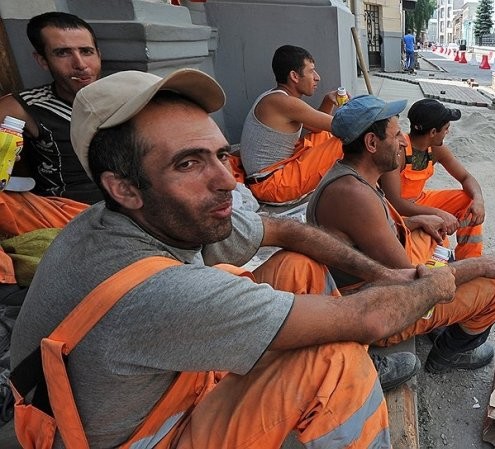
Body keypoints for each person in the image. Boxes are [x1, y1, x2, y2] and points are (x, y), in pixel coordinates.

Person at [10, 69, 459, 448]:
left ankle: (346, 378)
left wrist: (385, 273)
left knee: (297, 266)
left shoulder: (139, 215)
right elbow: (369, 319)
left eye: (221, 155)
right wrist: (433, 284)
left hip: (151, 381)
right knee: (334, 364)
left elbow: (284, 228)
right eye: (188, 163)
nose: (227, 180)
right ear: (122, 187)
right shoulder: (160, 293)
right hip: (149, 435)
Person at [306, 95, 495, 374]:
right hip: (377, 310)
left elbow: (384, 232)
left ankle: (442, 313)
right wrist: (479, 265)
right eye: (395, 135)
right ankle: (450, 353)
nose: (404, 142)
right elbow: (411, 282)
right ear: (371, 143)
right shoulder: (354, 195)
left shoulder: (352, 180)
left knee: (433, 234)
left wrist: (417, 220)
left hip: (374, 287)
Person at [0, 11, 103, 204]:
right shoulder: (25, 106)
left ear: (99, 55)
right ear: (42, 60)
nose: (80, 64)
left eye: (86, 51)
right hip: (65, 215)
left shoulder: (124, 95)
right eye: (62, 53)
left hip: (129, 206)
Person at [238, 44, 345, 205]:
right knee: (344, 141)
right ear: (294, 76)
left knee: (323, 135)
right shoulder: (284, 102)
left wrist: (327, 101)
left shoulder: (276, 97)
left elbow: (317, 127)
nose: (317, 77)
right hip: (271, 185)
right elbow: (346, 126)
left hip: (270, 176)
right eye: (311, 71)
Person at [380, 99, 484, 260]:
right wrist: (438, 213)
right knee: (428, 238)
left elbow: (465, 177)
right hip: (397, 211)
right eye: (446, 129)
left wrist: (478, 199)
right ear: (433, 132)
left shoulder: (436, 149)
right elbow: (395, 202)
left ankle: (470, 259)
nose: (447, 133)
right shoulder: (399, 152)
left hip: (420, 200)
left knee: (468, 200)